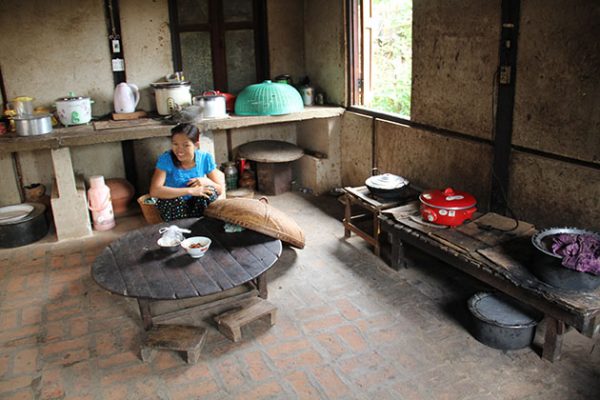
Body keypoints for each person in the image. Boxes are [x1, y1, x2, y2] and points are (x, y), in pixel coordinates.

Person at [149, 123, 222, 222]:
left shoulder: (205, 158)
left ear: (196, 145)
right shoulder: (166, 159)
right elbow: (155, 191)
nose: (179, 150)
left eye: (186, 145)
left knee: (209, 192)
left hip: (196, 205)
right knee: (171, 200)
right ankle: (181, 228)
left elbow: (219, 189)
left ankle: (202, 224)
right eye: (175, 144)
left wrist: (206, 181)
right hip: (175, 206)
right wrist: (190, 191)